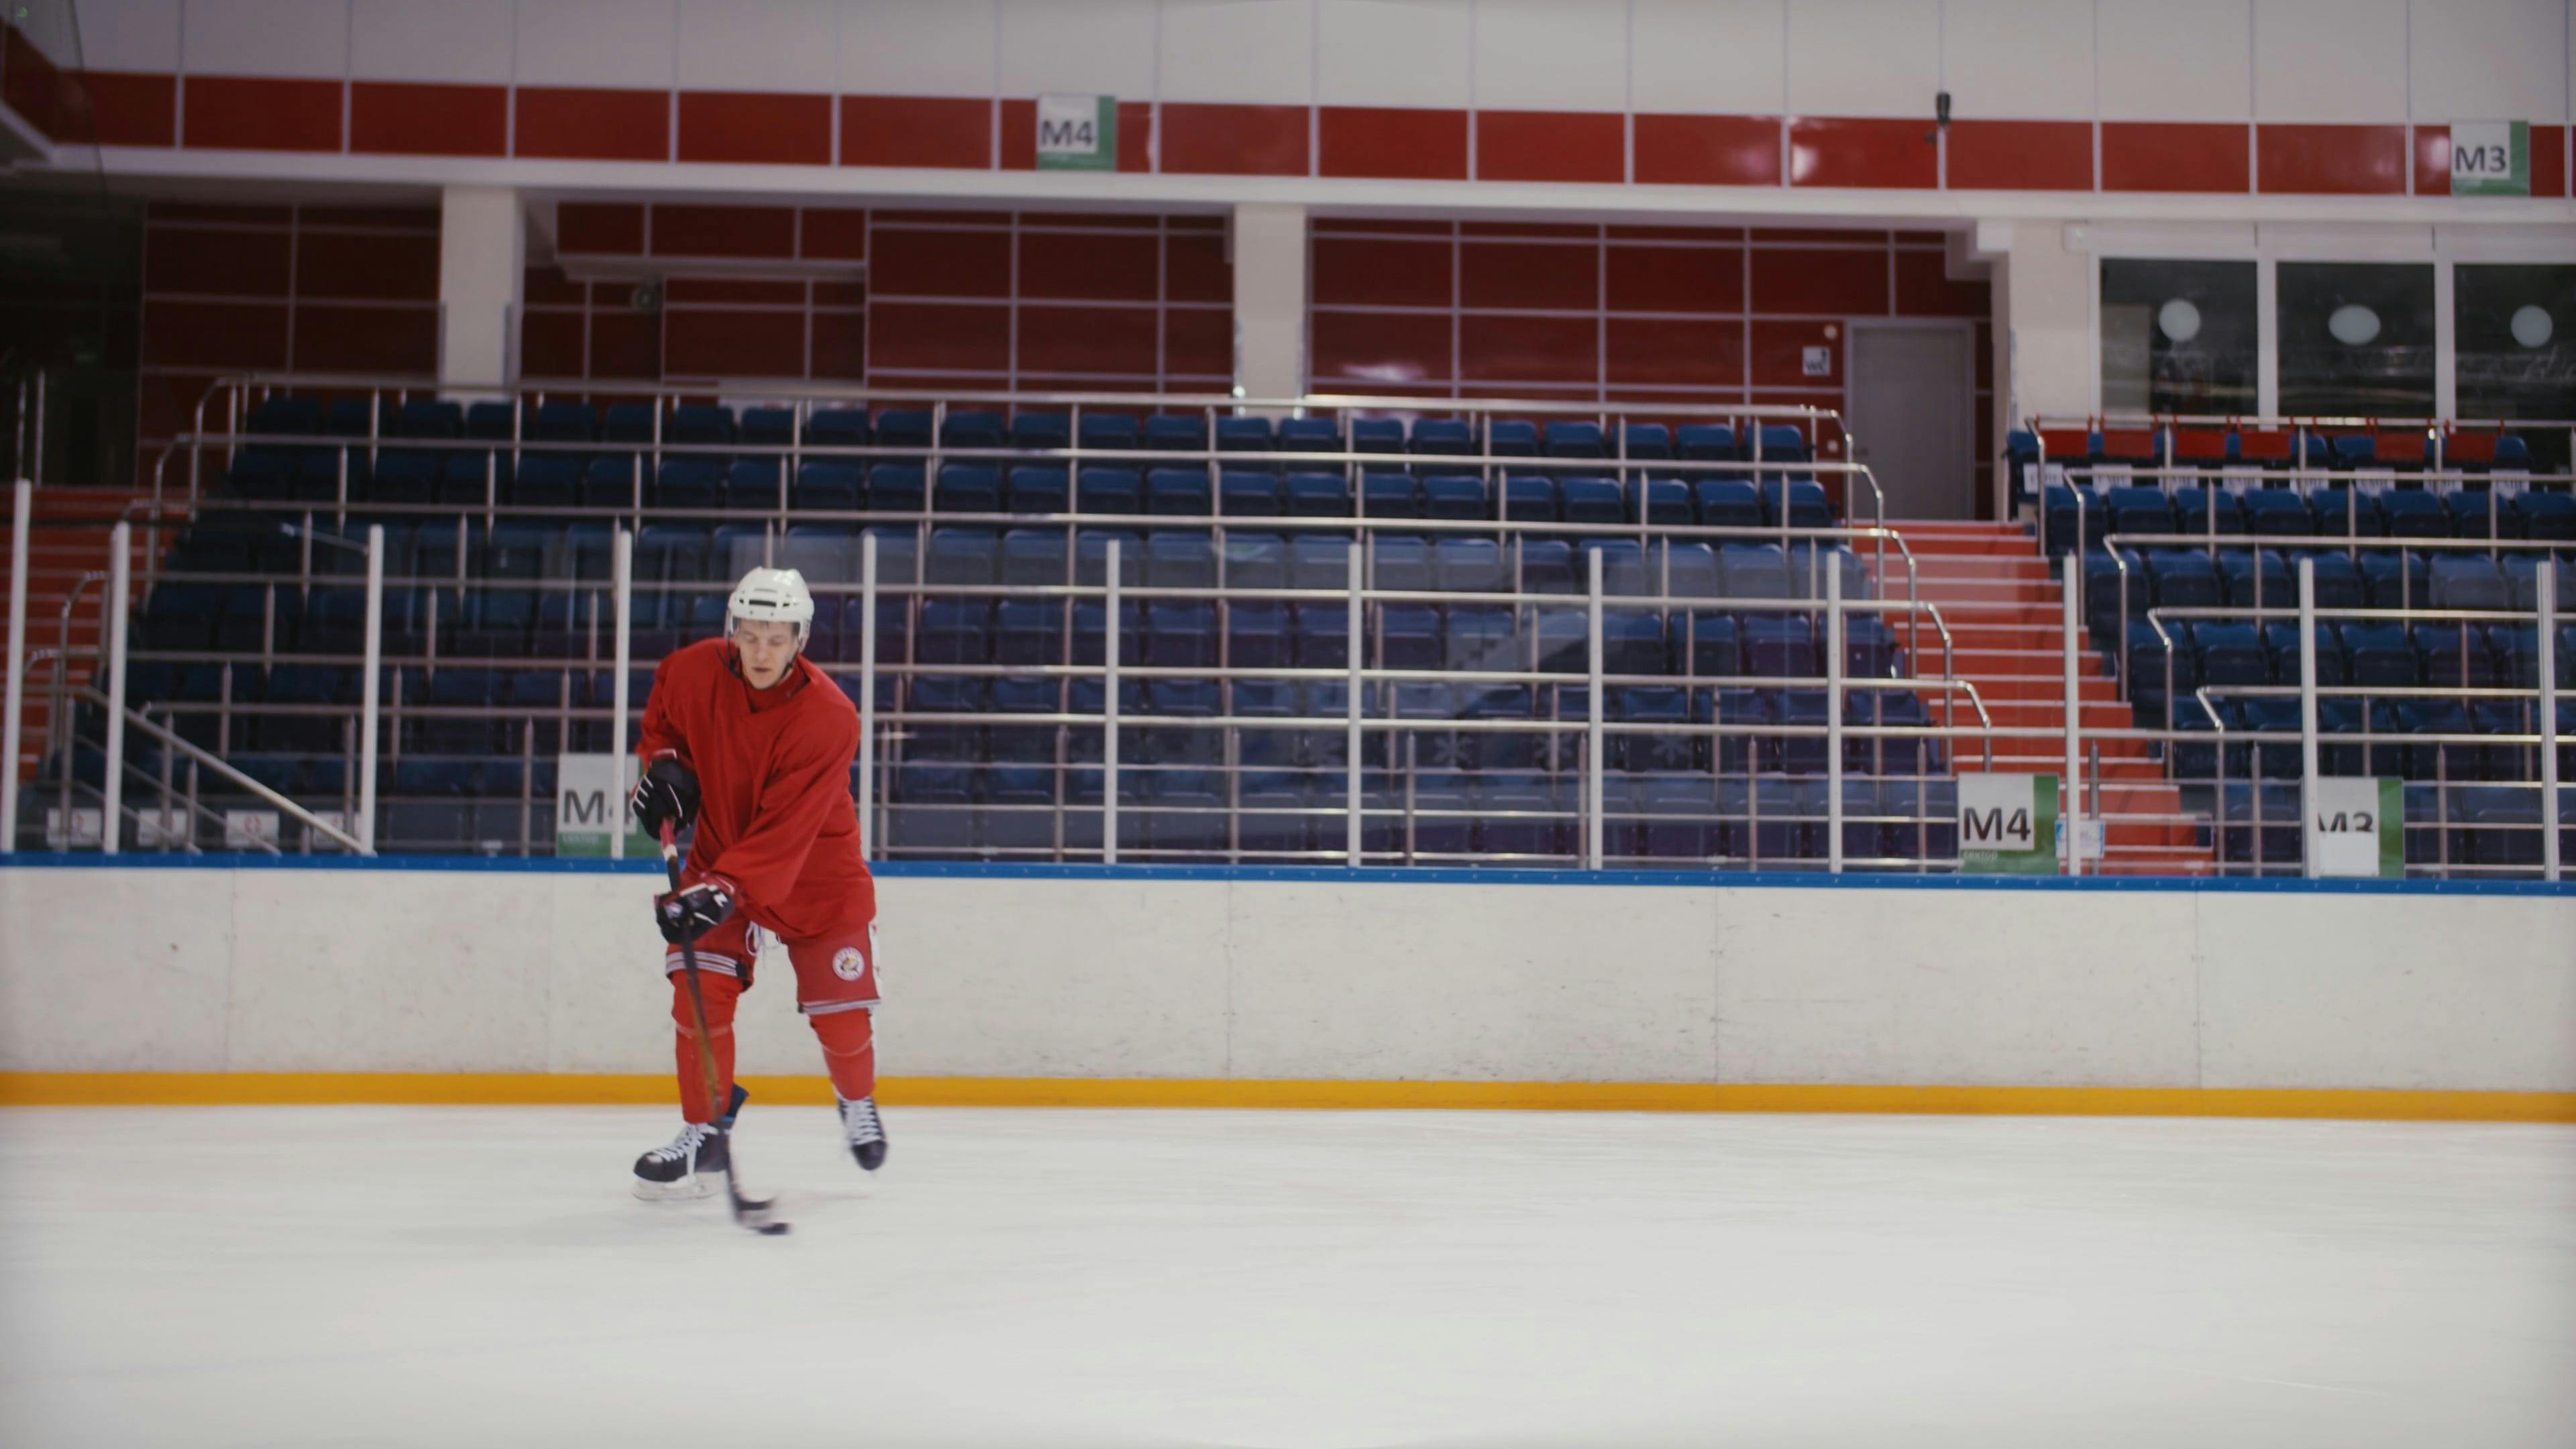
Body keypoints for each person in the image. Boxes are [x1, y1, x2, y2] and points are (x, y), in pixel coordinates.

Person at [625, 566, 887, 1199]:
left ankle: (856, 1101)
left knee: (842, 1023)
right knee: (697, 992)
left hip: (815, 874)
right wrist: (664, 770)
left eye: (776, 638)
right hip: (720, 856)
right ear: (733, 632)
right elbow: (664, 724)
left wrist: (723, 889)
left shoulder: (830, 716)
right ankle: (704, 1132)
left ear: (799, 640)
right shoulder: (692, 671)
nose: (761, 651)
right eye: (749, 636)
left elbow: (786, 830)